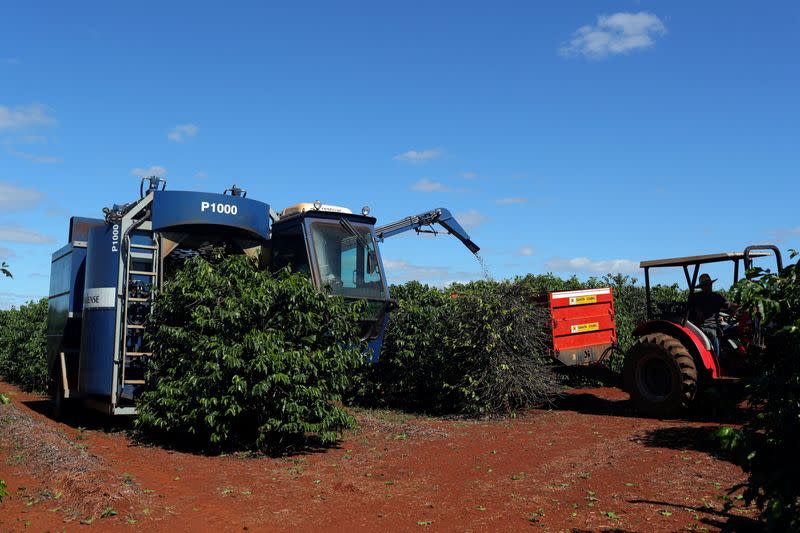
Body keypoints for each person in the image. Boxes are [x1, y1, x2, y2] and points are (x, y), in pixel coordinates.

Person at [688, 273, 734, 356]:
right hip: (703, 326)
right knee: (712, 334)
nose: (709, 287)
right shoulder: (696, 297)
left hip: (716, 325)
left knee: (733, 330)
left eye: (709, 284)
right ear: (702, 287)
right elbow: (692, 311)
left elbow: (728, 305)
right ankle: (717, 359)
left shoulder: (717, 297)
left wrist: (737, 307)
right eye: (706, 285)